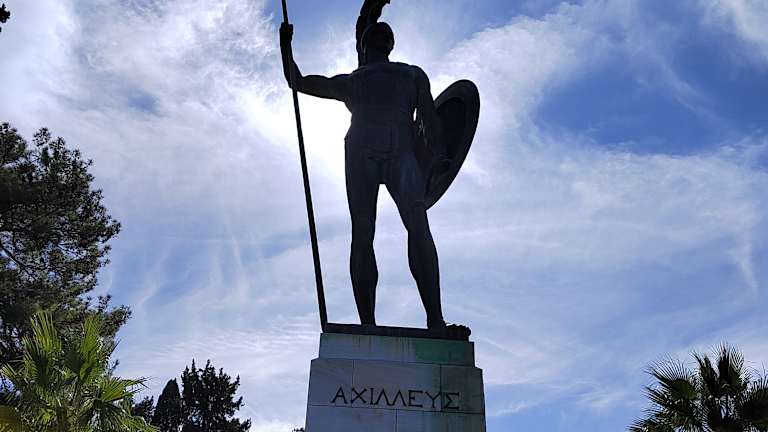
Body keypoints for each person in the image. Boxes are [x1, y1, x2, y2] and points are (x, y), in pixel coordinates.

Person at [280, 0, 447, 330]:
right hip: (368, 154)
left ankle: (433, 320)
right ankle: (372, 322)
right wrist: (285, 47)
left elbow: (432, 125)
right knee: (369, 231)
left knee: (406, 228)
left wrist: (440, 158)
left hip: (394, 154)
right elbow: (298, 81)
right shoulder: (366, 79)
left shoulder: (401, 76)